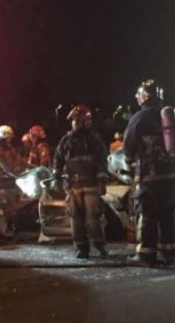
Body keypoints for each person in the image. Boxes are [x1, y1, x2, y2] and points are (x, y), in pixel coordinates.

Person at [123, 79, 175, 267]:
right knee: (168, 214)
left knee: (148, 215)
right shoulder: (172, 117)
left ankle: (147, 255)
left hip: (149, 177)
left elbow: (128, 147)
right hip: (171, 177)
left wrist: (131, 163)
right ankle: (169, 253)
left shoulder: (138, 118)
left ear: (144, 96)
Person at [53, 105, 109, 259]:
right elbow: (58, 159)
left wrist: (102, 182)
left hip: (91, 186)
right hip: (73, 187)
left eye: (78, 120)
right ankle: (81, 248)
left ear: (86, 121)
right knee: (76, 220)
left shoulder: (94, 140)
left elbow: (102, 162)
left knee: (93, 219)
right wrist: (57, 178)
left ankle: (99, 246)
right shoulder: (66, 140)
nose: (75, 123)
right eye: (73, 120)